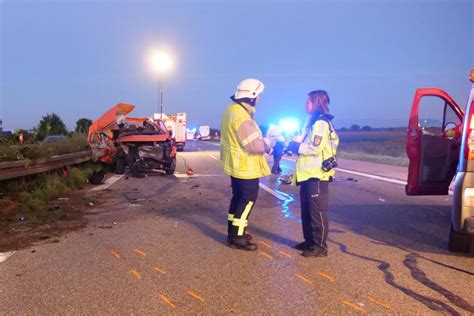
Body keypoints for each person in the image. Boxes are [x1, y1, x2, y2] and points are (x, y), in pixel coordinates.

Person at [220, 78, 275, 251]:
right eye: (258, 96)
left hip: (237, 166)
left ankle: (234, 232)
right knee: (246, 202)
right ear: (251, 96)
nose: (259, 99)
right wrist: (269, 142)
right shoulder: (241, 116)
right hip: (246, 168)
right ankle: (238, 237)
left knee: (237, 199)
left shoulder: (232, 110)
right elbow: (253, 145)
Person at [287, 90, 339, 257]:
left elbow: (314, 148)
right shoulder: (311, 122)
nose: (305, 104)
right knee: (307, 210)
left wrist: (297, 147)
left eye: (308, 102)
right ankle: (310, 241)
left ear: (316, 103)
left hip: (317, 175)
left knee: (317, 211)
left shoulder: (321, 123)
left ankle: (320, 247)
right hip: (307, 174)